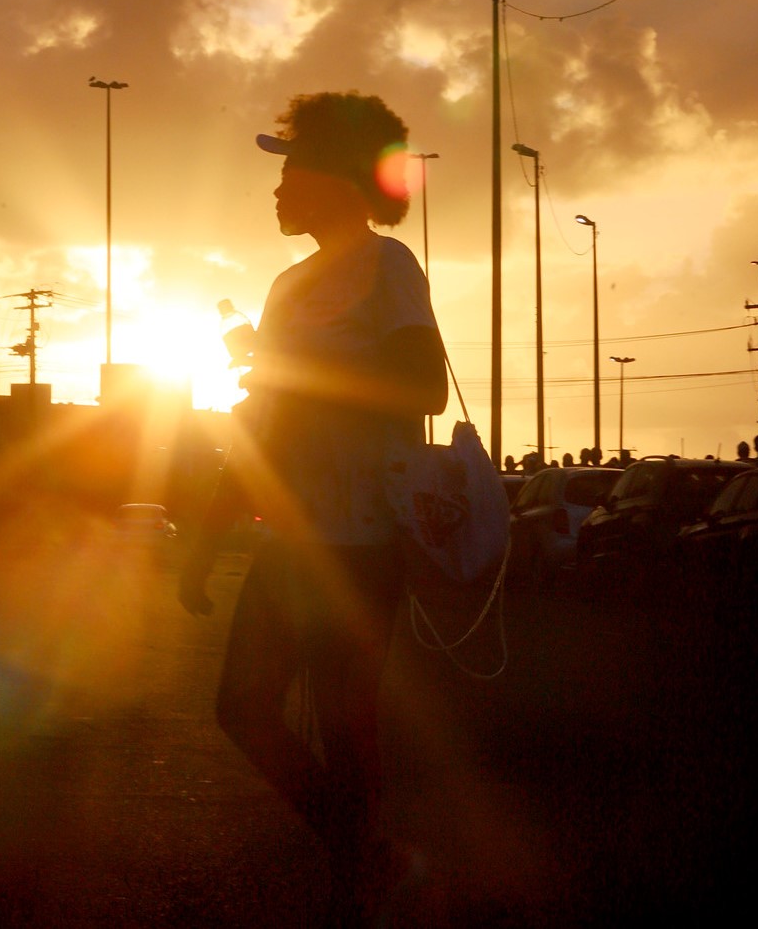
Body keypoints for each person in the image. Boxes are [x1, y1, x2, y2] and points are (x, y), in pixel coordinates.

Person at [177, 92, 446, 922]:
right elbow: (269, 426)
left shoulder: (387, 267)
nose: (278, 187)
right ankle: (360, 853)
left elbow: (422, 386)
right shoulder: (288, 286)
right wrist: (209, 531)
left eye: (289, 169)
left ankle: (356, 876)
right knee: (243, 709)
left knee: (345, 721)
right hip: (295, 537)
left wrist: (297, 381)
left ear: (332, 178)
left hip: (360, 540)